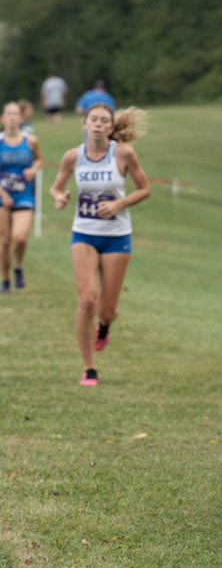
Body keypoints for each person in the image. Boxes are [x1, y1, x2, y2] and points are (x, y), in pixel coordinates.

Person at [49, 103, 150, 386]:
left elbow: (144, 189)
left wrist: (118, 203)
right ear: (84, 123)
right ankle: (88, 368)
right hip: (83, 233)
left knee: (106, 309)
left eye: (104, 120)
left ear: (111, 127)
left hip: (117, 236)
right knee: (87, 301)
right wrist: (58, 197)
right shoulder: (73, 156)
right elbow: (56, 187)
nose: (97, 124)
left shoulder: (124, 154)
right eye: (93, 119)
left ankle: (104, 325)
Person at [0, 101, 45, 293]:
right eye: (8, 113)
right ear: (3, 117)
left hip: (24, 194)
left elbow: (39, 159)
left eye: (15, 114)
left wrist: (33, 170)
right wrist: (3, 194)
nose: (12, 117)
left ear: (20, 118)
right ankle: (5, 279)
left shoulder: (30, 140)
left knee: (20, 237)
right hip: (2, 195)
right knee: (5, 240)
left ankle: (18, 266)